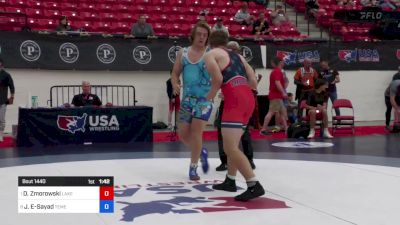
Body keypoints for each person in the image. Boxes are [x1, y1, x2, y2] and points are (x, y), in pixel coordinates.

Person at [204, 30, 265, 201]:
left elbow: (216, 79)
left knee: (229, 147)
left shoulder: (211, 54)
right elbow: (253, 80)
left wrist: (206, 100)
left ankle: (253, 184)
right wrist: (241, 91)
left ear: (210, 42)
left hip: (235, 100)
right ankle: (230, 180)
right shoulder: (239, 56)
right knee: (234, 143)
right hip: (249, 98)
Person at [170, 21, 212, 181]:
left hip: (205, 99)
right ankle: (200, 151)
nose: (202, 37)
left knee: (196, 131)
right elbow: (174, 73)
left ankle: (193, 167)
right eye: (199, 34)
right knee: (183, 135)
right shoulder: (183, 53)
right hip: (187, 99)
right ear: (193, 35)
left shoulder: (210, 54)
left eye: (205, 35)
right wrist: (175, 84)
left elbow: (218, 75)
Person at [215, 41, 256, 171]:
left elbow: (253, 83)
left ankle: (248, 159)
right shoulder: (224, 63)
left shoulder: (244, 64)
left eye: (234, 49)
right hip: (226, 102)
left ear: (238, 51)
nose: (232, 51)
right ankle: (225, 161)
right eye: (230, 49)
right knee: (222, 132)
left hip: (239, 102)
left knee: (243, 133)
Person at [260, 57, 288, 135]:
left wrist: (282, 93)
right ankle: (263, 129)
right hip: (276, 96)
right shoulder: (277, 72)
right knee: (271, 112)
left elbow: (281, 82)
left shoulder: (277, 71)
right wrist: (283, 92)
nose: (284, 63)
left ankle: (286, 129)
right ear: (280, 62)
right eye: (283, 62)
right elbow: (277, 82)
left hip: (277, 96)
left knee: (282, 113)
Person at [0, 58, 15, 142]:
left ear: (1, 65)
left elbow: (12, 86)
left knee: (1, 119)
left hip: (2, 101)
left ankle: (1, 135)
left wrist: (12, 97)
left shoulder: (6, 75)